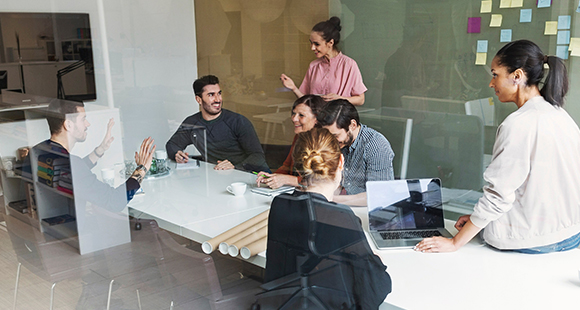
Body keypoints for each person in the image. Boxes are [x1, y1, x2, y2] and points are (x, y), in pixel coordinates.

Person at [415, 40, 580, 254]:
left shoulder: (518, 123)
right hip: (569, 234)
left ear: (517, 76)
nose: (491, 84)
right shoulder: (560, 115)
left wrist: (455, 242)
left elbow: (498, 196)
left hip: (531, 240)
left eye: (495, 75)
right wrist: (478, 221)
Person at [264, 127, 391, 309]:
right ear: (341, 161)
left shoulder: (280, 204)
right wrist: (376, 262)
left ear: (299, 167)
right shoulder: (340, 217)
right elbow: (373, 289)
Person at [36, 99, 155, 208]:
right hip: (74, 230)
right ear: (68, 125)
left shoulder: (39, 151)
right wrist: (141, 169)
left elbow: (71, 173)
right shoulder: (72, 165)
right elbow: (114, 201)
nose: (87, 124)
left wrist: (99, 150)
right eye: (83, 119)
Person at [165, 75, 269, 172]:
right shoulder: (192, 123)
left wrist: (235, 166)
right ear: (198, 99)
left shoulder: (238, 121)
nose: (218, 99)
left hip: (254, 177)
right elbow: (172, 145)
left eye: (219, 93)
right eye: (211, 95)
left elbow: (258, 156)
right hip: (218, 177)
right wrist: (176, 154)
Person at [317, 99, 394, 204]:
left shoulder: (375, 145)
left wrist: (331, 200)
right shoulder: (339, 143)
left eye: (335, 136)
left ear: (352, 125)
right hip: (344, 205)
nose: (331, 141)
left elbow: (379, 195)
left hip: (368, 210)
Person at [279, 17, 367, 106]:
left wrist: (340, 99)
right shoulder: (313, 66)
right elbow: (306, 100)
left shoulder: (349, 65)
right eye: (311, 43)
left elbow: (360, 99)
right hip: (315, 119)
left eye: (317, 44)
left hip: (338, 119)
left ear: (330, 43)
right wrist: (293, 88)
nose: (312, 48)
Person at [255, 95, 326, 188]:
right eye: (294, 113)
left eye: (301, 115)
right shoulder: (298, 137)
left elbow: (319, 180)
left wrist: (285, 179)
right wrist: (271, 177)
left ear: (316, 119)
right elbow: (286, 166)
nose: (294, 119)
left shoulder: (325, 143)